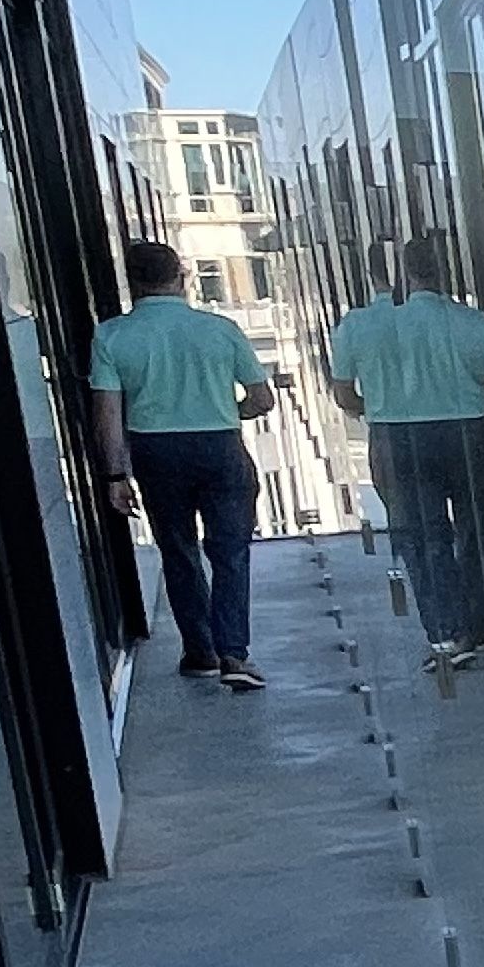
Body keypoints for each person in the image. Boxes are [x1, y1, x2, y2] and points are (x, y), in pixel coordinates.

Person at [91, 241, 274, 687]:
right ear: (181, 278)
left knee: (178, 550)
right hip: (220, 446)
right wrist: (228, 413)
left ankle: (201, 650)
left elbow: (107, 416)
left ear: (132, 283)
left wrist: (116, 475)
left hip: (155, 452)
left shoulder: (111, 336)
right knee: (230, 551)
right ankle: (235, 653)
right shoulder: (221, 329)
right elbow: (261, 397)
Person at [327, 238, 484, 660]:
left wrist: (375, 407)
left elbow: (343, 393)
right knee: (478, 530)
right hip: (471, 432)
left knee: (425, 537)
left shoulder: (358, 325)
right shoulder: (474, 322)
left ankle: (448, 633)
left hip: (399, 436)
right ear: (441, 272)